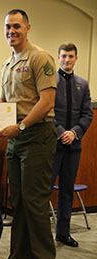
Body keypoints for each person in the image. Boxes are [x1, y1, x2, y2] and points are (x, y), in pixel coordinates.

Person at [0, 9, 58, 259]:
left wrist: (20, 126)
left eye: (16, 26)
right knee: (16, 202)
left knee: (35, 203)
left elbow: (47, 102)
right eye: (7, 27)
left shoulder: (40, 58)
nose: (11, 31)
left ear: (28, 27)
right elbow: (4, 102)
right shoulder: (8, 64)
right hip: (17, 139)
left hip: (37, 135)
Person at [51, 43, 93, 247]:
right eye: (63, 56)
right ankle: (39, 235)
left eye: (70, 56)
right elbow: (46, 111)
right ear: (58, 58)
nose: (67, 60)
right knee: (44, 190)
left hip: (73, 146)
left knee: (67, 190)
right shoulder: (51, 81)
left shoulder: (83, 84)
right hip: (52, 145)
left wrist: (74, 132)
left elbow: (87, 114)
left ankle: (63, 233)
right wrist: (61, 132)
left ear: (76, 58)